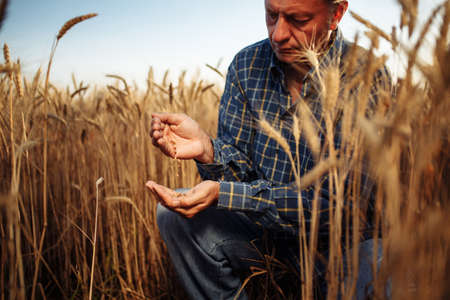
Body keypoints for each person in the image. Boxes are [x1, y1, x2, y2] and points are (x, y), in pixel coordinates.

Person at [147, 0, 391, 299]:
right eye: (271, 15)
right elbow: (241, 175)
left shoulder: (365, 75)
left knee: (381, 272)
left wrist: (224, 193)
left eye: (298, 19)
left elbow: (337, 209)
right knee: (172, 216)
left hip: (344, 247)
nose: (277, 34)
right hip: (265, 234)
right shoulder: (247, 66)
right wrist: (207, 149)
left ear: (336, 14)